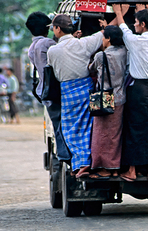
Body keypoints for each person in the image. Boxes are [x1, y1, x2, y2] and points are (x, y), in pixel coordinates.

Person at [113, 4, 148, 181]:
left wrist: (119, 12)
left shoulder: (134, 41)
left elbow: (122, 27)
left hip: (138, 89)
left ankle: (132, 170)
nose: (133, 25)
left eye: (136, 22)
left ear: (142, 24)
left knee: (134, 128)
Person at [47, 15, 104, 178]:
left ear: (58, 29)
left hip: (68, 92)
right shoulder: (84, 43)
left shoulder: (52, 51)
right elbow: (103, 33)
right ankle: (88, 161)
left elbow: (53, 70)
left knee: (70, 128)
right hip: (86, 90)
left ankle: (81, 163)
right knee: (89, 126)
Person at [26, 11, 70, 168]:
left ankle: (64, 155)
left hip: (45, 92)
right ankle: (66, 154)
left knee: (57, 124)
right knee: (62, 124)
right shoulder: (48, 44)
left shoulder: (32, 47)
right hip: (55, 90)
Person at [88, 25, 127, 179]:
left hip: (104, 98)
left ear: (109, 38)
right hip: (120, 97)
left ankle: (103, 167)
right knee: (115, 134)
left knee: (100, 134)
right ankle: (116, 167)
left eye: (104, 37)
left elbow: (90, 69)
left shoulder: (100, 56)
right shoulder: (125, 53)